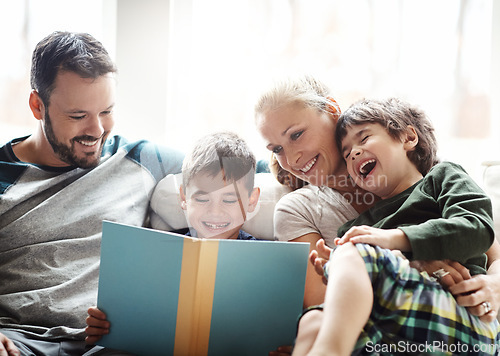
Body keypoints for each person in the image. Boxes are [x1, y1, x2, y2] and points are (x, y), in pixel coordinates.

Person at [254, 76, 500, 356]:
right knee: (313, 320)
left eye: (296, 134)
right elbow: (332, 300)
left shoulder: (432, 175)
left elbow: (483, 238)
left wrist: (495, 286)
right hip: (388, 327)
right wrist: (331, 267)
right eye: (276, 150)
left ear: (332, 111)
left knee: (352, 252)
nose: (292, 158)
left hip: (458, 313)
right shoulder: (312, 212)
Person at [0, 31, 184, 356]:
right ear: (37, 106)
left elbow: (232, 164)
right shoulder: (4, 176)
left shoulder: (139, 159)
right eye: (78, 116)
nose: (97, 130)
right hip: (20, 342)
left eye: (106, 111)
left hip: (110, 344)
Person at [85, 131, 261, 344]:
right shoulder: (157, 250)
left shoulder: (266, 258)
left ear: (252, 200)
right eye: (202, 199)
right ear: (184, 198)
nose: (215, 212)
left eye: (229, 200)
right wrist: (104, 326)